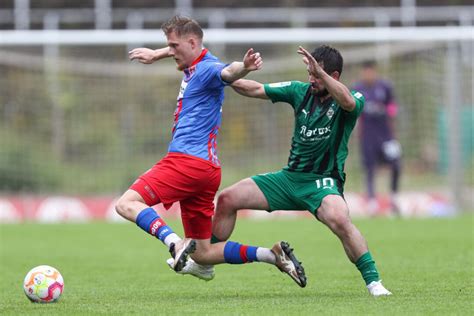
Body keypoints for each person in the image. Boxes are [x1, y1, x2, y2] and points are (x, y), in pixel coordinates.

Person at [115, 15, 306, 287]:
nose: (170, 52)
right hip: (207, 171)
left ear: (192, 43)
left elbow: (228, 72)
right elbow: (190, 53)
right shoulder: (194, 62)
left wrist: (246, 67)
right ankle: (272, 255)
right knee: (203, 255)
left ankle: (173, 243)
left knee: (126, 204)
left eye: (173, 46)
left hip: (185, 162)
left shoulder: (207, 69)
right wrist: (157, 54)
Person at [185, 45, 391, 296]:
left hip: (322, 182)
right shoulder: (300, 91)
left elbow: (347, 101)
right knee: (228, 198)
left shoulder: (353, 98)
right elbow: (255, 88)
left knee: (339, 219)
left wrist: (321, 74)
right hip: (289, 179)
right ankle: (206, 260)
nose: (311, 79)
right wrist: (222, 75)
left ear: (334, 76)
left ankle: (374, 283)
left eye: (316, 74)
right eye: (310, 73)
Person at [352, 61, 402, 216]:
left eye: (370, 71)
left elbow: (393, 107)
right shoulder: (357, 89)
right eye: (365, 72)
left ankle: (394, 197)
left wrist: (386, 111)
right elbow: (352, 110)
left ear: (375, 72)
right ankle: (372, 202)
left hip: (386, 136)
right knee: (369, 168)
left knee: (396, 164)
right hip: (367, 137)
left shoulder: (385, 87)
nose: (368, 75)